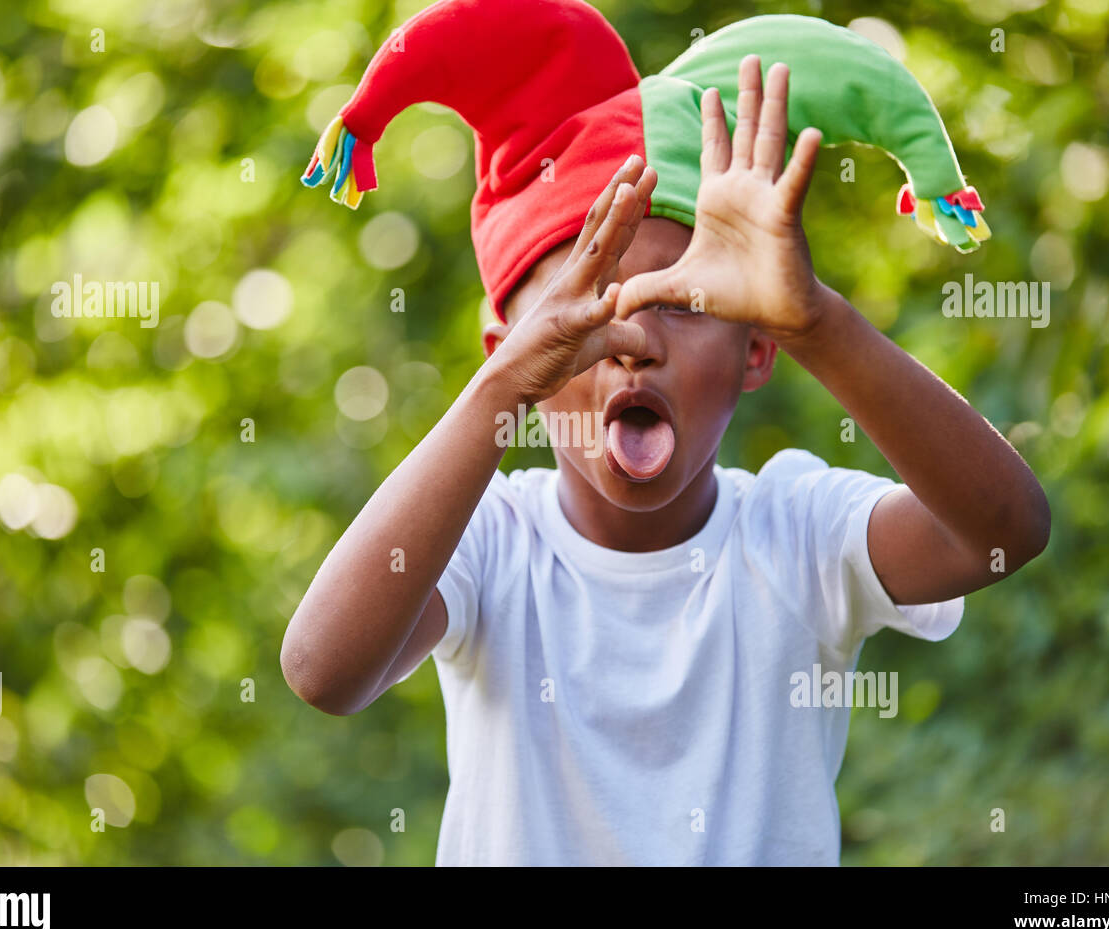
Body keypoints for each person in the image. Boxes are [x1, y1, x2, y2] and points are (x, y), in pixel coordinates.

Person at [284, 1, 1048, 865]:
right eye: (582, 311)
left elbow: (1005, 533)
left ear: (757, 350)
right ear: (510, 357)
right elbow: (323, 670)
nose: (634, 340)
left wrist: (820, 323)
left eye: (681, 302)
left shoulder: (798, 531)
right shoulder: (490, 541)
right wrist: (497, 393)